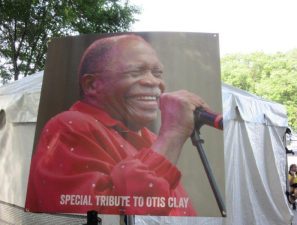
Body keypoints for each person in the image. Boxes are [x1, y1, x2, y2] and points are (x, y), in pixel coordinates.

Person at [25, 34, 213, 216]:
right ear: (92, 85)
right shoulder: (69, 126)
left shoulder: (152, 139)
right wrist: (172, 134)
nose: (153, 81)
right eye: (135, 72)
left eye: (157, 73)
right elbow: (100, 216)